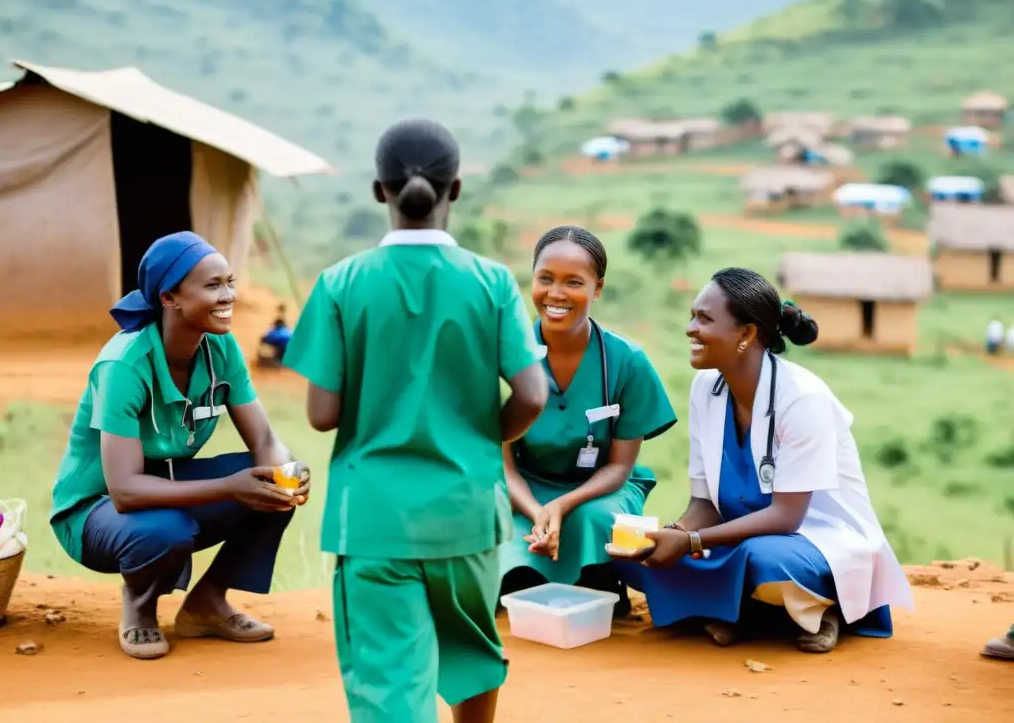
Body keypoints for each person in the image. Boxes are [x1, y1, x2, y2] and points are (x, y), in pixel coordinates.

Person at [282, 118, 548, 723]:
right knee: (474, 652)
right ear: (455, 189)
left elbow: (322, 416)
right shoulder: (491, 282)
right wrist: (484, 437)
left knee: (388, 682)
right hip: (468, 512)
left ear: (381, 191)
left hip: (373, 520)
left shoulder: (340, 283)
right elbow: (531, 395)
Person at [612, 267, 912, 653]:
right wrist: (671, 534)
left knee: (763, 559)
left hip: (809, 542)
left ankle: (818, 609)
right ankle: (751, 611)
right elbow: (704, 504)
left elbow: (787, 518)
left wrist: (691, 541)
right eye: (692, 315)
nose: (690, 328)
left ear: (746, 334)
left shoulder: (803, 399)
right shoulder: (707, 387)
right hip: (737, 538)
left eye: (704, 318)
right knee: (632, 554)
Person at [49, 231, 309, 660]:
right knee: (166, 530)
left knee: (273, 484)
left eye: (230, 282)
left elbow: (262, 438)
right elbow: (126, 492)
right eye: (212, 286)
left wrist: (282, 478)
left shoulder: (221, 348)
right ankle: (140, 609)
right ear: (170, 298)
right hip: (97, 509)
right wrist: (230, 487)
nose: (228, 295)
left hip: (161, 484)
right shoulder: (124, 364)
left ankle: (206, 603)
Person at [500, 226, 677, 612]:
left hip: (598, 490)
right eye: (545, 278)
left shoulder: (627, 360)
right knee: (496, 527)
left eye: (574, 282)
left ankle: (599, 582)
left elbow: (619, 467)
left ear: (597, 289)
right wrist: (538, 513)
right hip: (522, 491)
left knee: (595, 519)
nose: (556, 294)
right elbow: (503, 466)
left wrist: (562, 506)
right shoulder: (505, 358)